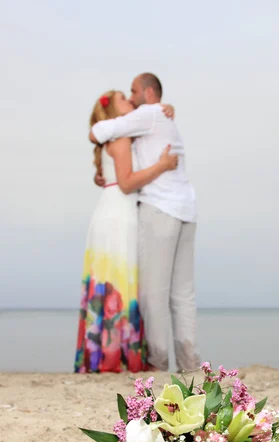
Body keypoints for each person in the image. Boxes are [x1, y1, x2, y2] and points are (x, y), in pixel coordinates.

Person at [91, 73, 200, 372]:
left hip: (160, 209)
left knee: (153, 293)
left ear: (149, 93)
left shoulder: (149, 115)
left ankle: (157, 362)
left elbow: (99, 130)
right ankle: (190, 364)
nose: (131, 94)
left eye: (134, 90)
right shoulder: (160, 119)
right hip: (186, 209)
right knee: (182, 293)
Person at [75, 90, 178, 373]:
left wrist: (163, 109)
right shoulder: (120, 139)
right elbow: (127, 183)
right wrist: (163, 165)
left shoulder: (120, 136)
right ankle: (117, 358)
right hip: (119, 212)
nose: (129, 100)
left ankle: (106, 355)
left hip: (111, 210)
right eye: (123, 97)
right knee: (122, 281)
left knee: (115, 280)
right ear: (111, 112)